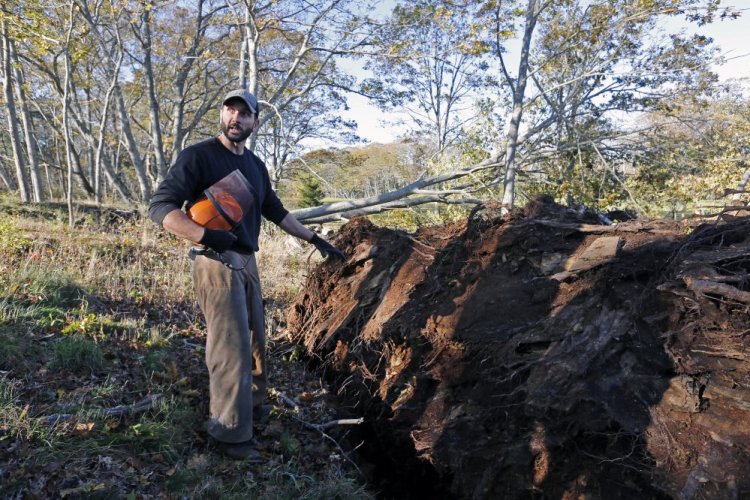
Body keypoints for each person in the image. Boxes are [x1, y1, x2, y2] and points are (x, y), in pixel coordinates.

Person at [148, 89, 345, 461]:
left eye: (244, 113)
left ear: (255, 121)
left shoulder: (255, 165)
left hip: (246, 260)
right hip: (214, 260)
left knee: (256, 337)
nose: (235, 118)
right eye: (229, 110)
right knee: (230, 344)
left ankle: (252, 408)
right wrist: (206, 235)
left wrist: (315, 238)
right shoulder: (199, 156)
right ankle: (229, 434)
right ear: (222, 116)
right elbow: (161, 207)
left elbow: (275, 209)